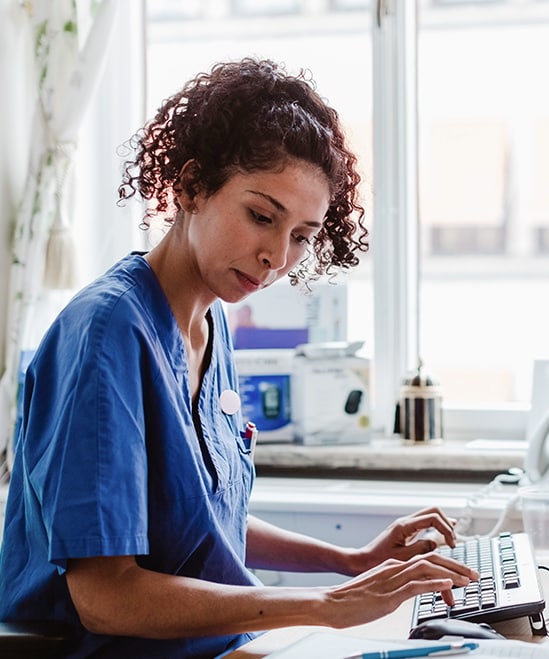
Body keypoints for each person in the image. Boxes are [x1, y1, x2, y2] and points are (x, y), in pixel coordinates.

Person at [0, 58, 477, 658]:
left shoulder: (212, 322)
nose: (277, 257)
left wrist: (349, 561)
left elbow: (198, 529)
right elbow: (106, 596)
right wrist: (326, 607)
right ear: (191, 185)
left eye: (302, 236)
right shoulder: (108, 333)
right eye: (260, 217)